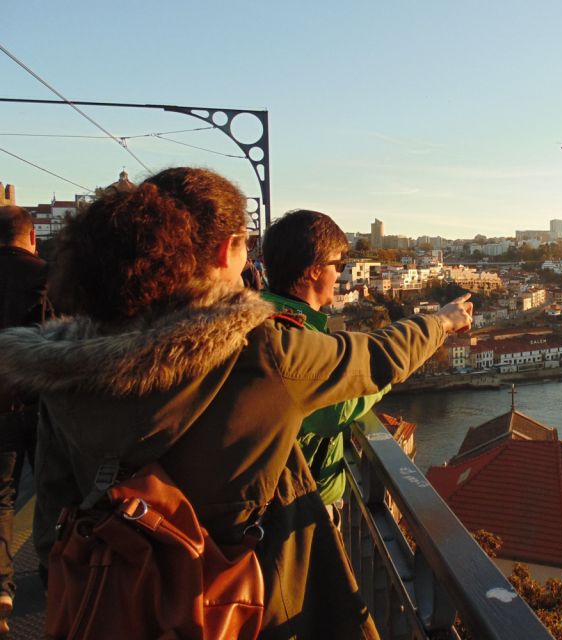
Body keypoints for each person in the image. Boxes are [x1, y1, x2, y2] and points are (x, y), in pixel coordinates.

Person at [0, 167, 472, 639]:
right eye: (246, 244)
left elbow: (53, 509)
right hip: (236, 603)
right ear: (226, 250)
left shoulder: (65, 369)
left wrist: (70, 582)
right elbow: (376, 358)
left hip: (113, 599)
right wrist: (442, 322)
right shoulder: (260, 355)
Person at [261, 209, 387, 521]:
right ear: (316, 271)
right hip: (298, 505)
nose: (342, 274)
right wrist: (385, 371)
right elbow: (333, 410)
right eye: (339, 265)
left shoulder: (265, 314)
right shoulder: (289, 332)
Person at [0, 205, 50, 636]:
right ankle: (55, 572)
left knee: (1, 497)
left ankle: (1, 586)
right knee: (51, 487)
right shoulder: (48, 277)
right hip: (41, 403)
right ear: (32, 237)